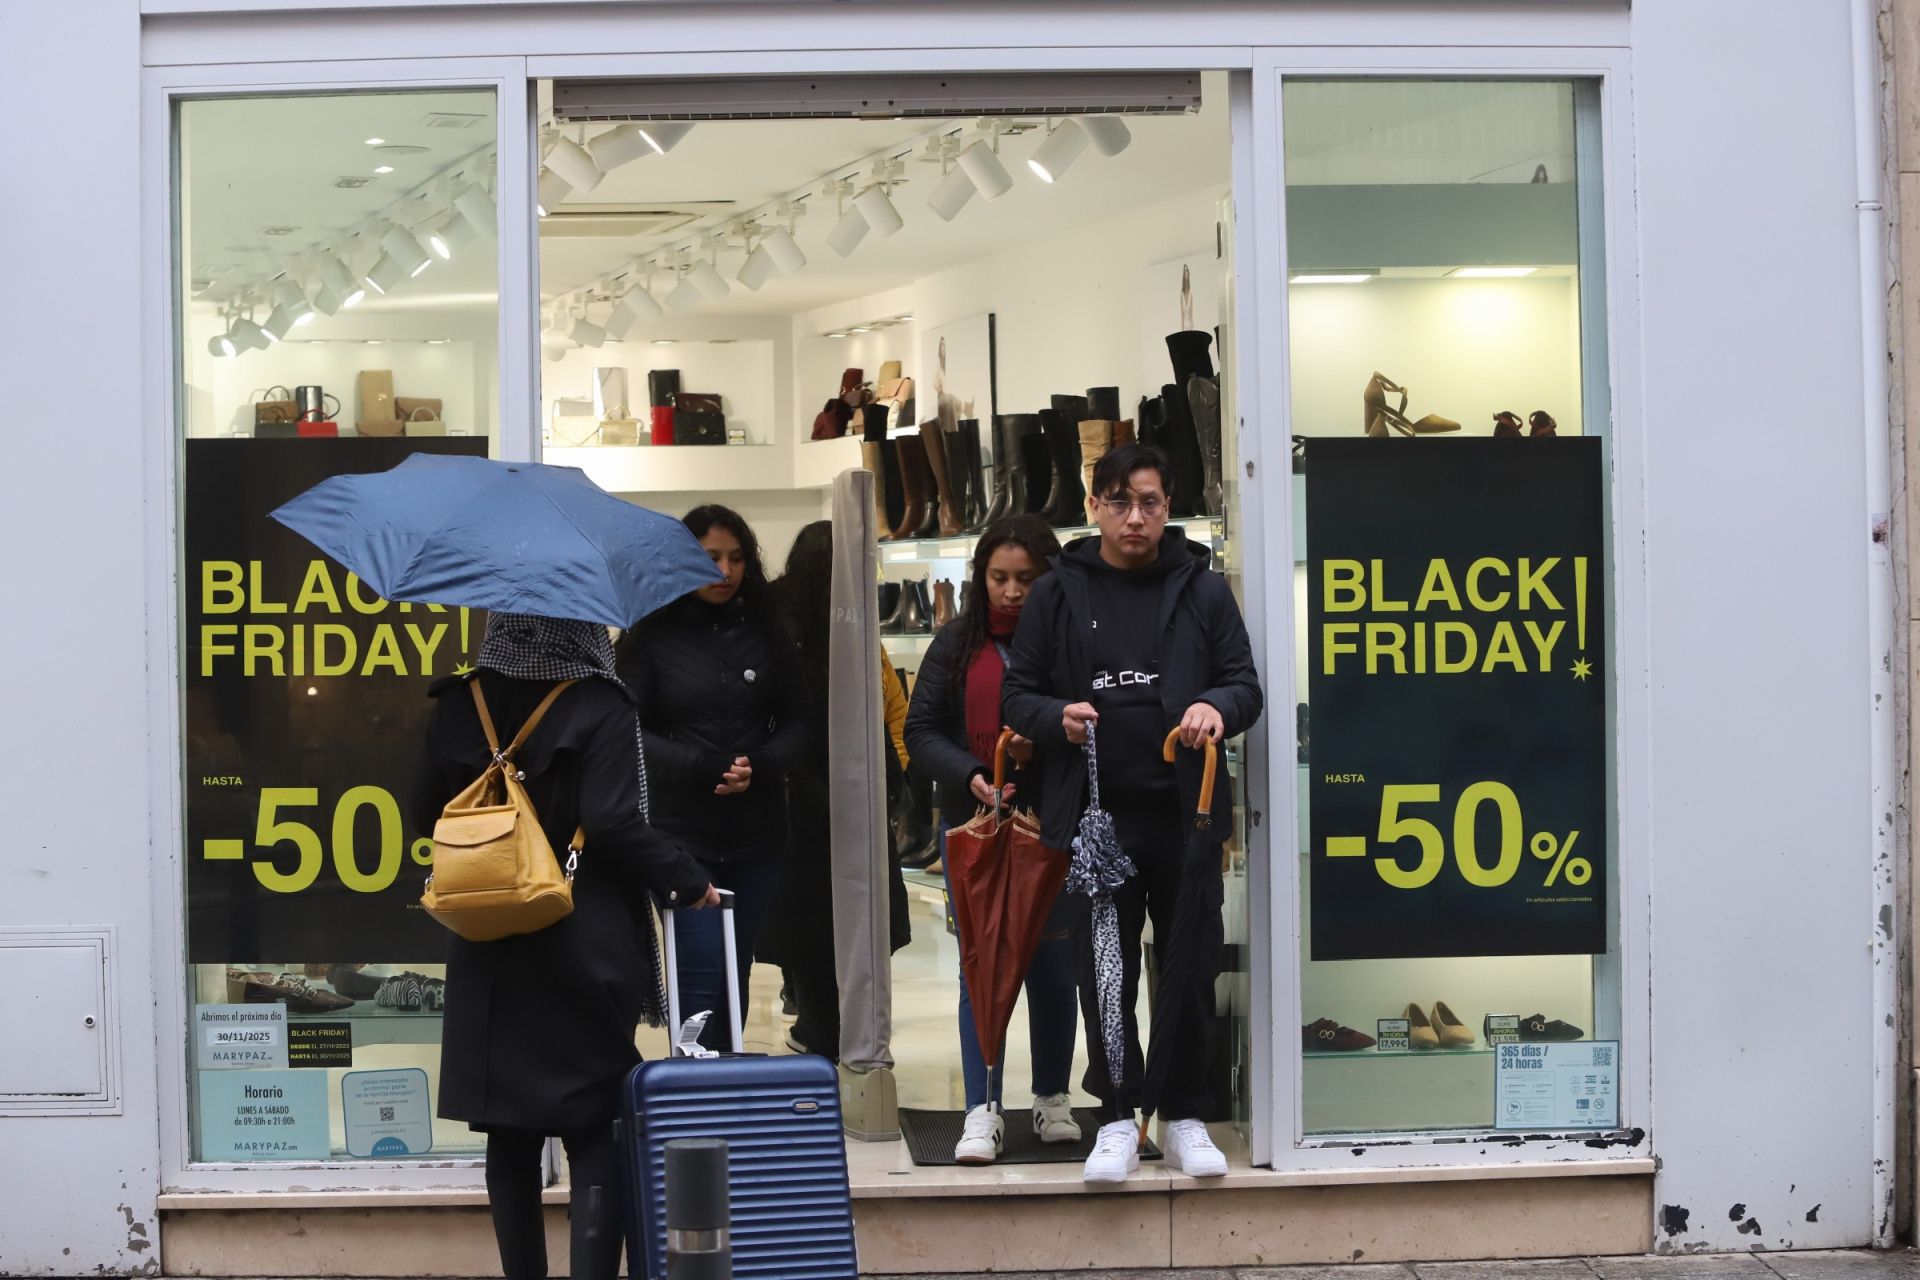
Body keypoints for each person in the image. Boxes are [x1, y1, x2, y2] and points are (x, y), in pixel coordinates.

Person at [408, 613, 719, 1280]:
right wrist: (685, 877)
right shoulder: (599, 702)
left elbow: (422, 810)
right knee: (594, 1122)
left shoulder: (459, 701)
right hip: (581, 933)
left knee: (510, 1130)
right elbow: (611, 819)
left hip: (487, 935)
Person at [1002, 442, 1263, 1184]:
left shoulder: (1202, 589)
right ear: (1093, 508)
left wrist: (1215, 705)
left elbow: (1245, 684)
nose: (1134, 516)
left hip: (1188, 819)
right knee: (1107, 975)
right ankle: (1119, 1115)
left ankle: (1182, 1115)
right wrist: (1057, 717)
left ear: (1167, 505)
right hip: (1099, 824)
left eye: (1148, 501)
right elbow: (1017, 694)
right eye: (1118, 501)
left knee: (1190, 966)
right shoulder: (1057, 593)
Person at [904, 514, 1080, 1164]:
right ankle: (982, 1108)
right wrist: (974, 773)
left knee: (1055, 969)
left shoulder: (1069, 645)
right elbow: (921, 730)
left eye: (1026, 579)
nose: (1011, 591)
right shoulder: (955, 643)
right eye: (999, 577)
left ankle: (1053, 1097)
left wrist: (1051, 743)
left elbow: (1093, 723)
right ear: (981, 577)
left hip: (1052, 824)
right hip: (976, 826)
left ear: (1049, 579)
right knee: (980, 967)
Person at [616, 505, 806, 1051]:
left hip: (758, 835)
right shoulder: (650, 635)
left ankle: (723, 1085)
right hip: (681, 836)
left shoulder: (767, 631)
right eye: (710, 558)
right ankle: (694, 1093)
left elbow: (801, 721)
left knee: (735, 967)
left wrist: (762, 764)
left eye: (737, 558)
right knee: (699, 969)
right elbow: (627, 730)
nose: (725, 571)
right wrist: (696, 764)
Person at [755, 520, 913, 1059]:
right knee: (832, 937)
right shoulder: (814, 631)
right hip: (824, 799)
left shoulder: (818, 626)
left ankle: (830, 1038)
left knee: (820, 941)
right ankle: (836, 1041)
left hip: (817, 798)